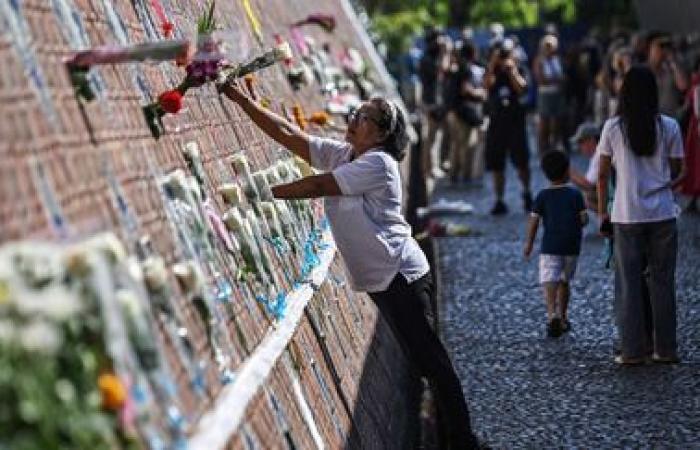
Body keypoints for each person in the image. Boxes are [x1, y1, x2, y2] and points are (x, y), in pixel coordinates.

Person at [218, 80, 481, 449]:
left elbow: (317, 187)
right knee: (423, 363)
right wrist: (240, 100)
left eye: (365, 116)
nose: (354, 117)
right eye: (357, 112)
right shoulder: (347, 154)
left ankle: (464, 443)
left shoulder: (379, 164)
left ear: (382, 133)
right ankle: (453, 438)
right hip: (381, 280)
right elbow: (289, 134)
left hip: (401, 275)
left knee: (432, 362)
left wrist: (258, 193)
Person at [597, 66, 686, 365]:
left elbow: (601, 175)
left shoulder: (613, 128)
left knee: (629, 283)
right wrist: (664, 182)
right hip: (662, 211)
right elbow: (678, 170)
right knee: (662, 283)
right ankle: (666, 349)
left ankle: (632, 350)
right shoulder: (670, 126)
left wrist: (601, 213)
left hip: (626, 213)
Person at [524, 151, 587, 337]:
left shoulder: (542, 196)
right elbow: (583, 219)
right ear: (567, 171)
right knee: (564, 282)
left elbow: (534, 221)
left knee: (549, 280)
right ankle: (564, 316)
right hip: (571, 246)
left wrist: (529, 244)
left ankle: (552, 314)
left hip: (550, 246)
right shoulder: (575, 195)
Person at [484, 38, 533, 215]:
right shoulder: (492, 70)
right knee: (497, 165)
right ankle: (499, 200)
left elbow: (522, 89)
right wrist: (492, 65)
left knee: (522, 162)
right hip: (497, 123)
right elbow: (486, 86)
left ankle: (527, 193)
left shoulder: (519, 68)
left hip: (515, 123)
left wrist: (512, 70)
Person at [444, 39, 486, 184]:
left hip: (453, 111)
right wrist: (480, 94)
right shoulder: (466, 69)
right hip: (462, 113)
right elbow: (465, 90)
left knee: (456, 146)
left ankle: (454, 176)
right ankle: (466, 176)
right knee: (467, 146)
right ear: (473, 53)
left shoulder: (457, 68)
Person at [533, 34, 566, 154]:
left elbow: (563, 78)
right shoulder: (539, 60)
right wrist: (556, 79)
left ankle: (555, 147)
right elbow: (541, 80)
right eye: (547, 46)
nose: (549, 49)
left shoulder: (558, 59)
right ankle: (543, 149)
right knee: (544, 123)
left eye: (551, 46)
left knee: (557, 122)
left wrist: (553, 79)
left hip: (557, 94)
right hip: (545, 95)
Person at [646, 31, 688, 117]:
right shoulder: (643, 70)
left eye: (666, 46)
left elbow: (683, 86)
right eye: (660, 46)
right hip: (651, 118)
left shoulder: (672, 68)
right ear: (649, 49)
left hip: (671, 118)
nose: (663, 50)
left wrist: (672, 60)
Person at [681, 56, 700, 212]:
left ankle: (694, 198)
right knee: (695, 163)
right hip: (696, 128)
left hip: (695, 128)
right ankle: (694, 197)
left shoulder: (695, 84)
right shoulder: (696, 84)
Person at [568, 122, 601, 211]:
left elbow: (589, 186)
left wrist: (569, 172)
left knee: (586, 197)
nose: (579, 147)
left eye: (581, 142)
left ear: (591, 140)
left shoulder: (599, 156)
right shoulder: (596, 155)